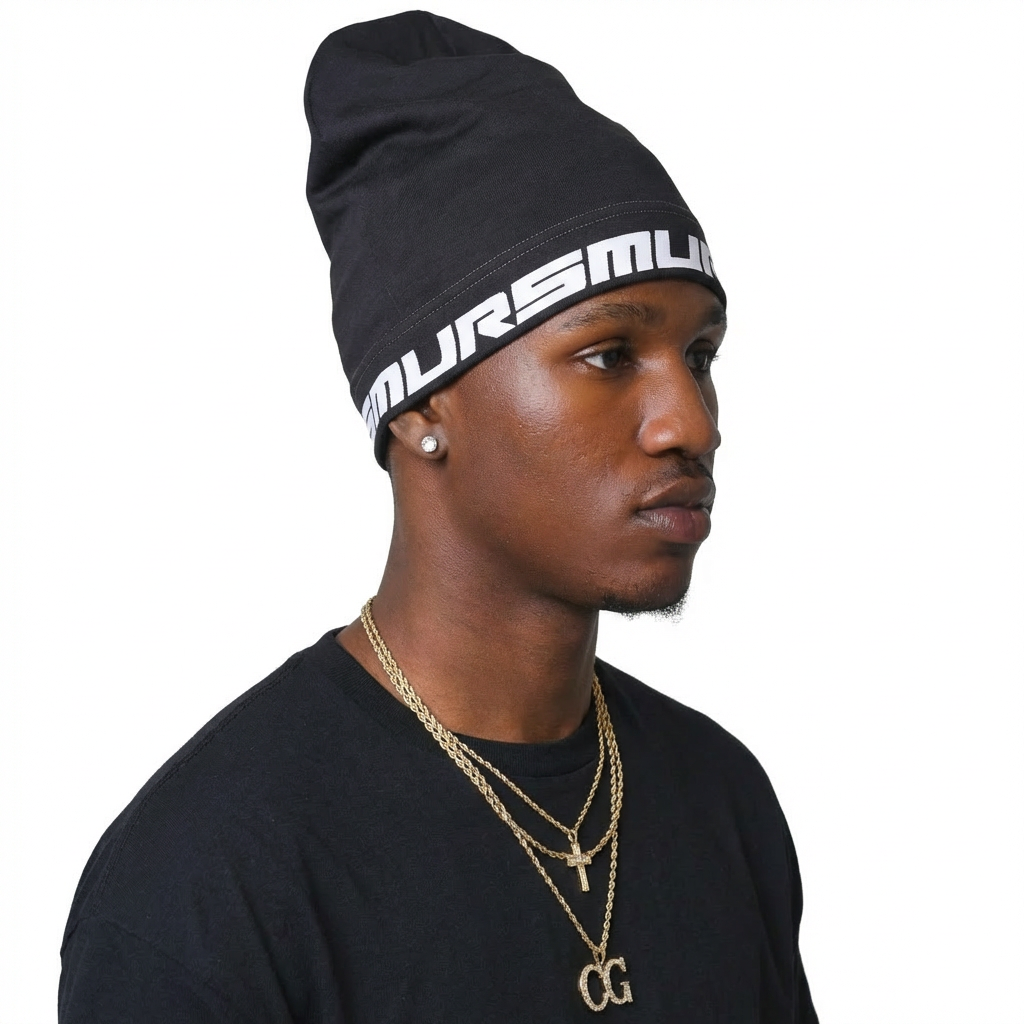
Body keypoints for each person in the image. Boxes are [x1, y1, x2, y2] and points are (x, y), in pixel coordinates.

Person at [58, 11, 817, 1022]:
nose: (691, 423)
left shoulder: (720, 799)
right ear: (420, 406)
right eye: (608, 355)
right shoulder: (210, 883)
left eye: (701, 356)